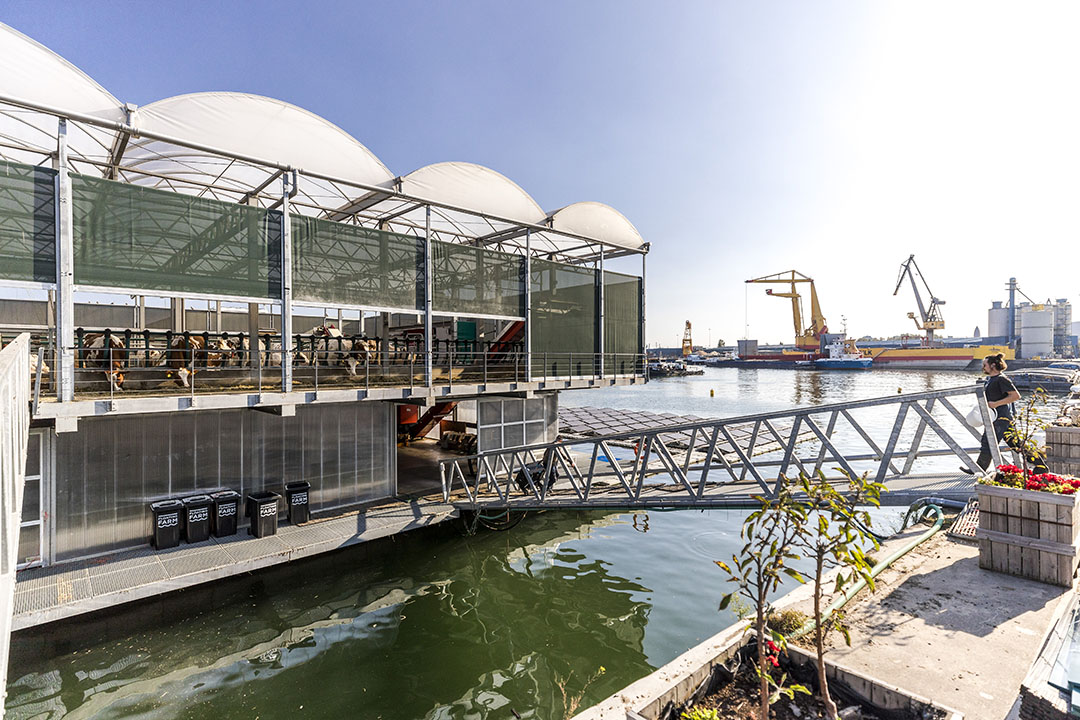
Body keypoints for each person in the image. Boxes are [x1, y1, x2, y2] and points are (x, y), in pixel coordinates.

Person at [961, 353, 1048, 474]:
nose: (983, 367)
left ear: (993, 365)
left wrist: (995, 404)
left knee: (988, 441)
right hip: (998, 417)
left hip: (1001, 418)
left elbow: (1015, 396)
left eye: (985, 365)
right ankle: (1041, 466)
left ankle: (978, 469)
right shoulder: (990, 379)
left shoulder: (1001, 379)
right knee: (1016, 443)